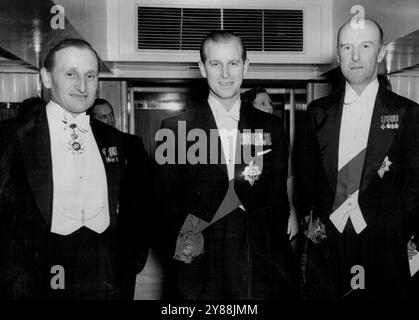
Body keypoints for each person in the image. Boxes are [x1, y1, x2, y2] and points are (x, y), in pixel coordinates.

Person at [0, 38, 149, 300]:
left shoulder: (115, 140)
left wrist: (127, 264)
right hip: (34, 280)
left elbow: (135, 208)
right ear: (47, 78)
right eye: (71, 74)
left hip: (101, 277)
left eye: (90, 75)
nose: (82, 86)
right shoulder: (9, 138)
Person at [156, 31, 299, 299]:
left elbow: (277, 199)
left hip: (256, 260)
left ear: (246, 65)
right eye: (215, 64)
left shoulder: (271, 126)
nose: (225, 74)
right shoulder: (174, 129)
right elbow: (165, 207)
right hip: (198, 262)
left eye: (233, 63)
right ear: (202, 68)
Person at [296, 18, 419, 300]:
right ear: (338, 54)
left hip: (383, 244)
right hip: (328, 245)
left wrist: (401, 231)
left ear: (381, 52)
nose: (354, 56)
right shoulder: (316, 112)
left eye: (364, 46)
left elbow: (415, 186)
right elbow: (306, 179)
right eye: (346, 47)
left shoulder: (408, 113)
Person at [243, 87, 299, 241]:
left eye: (270, 103)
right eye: (262, 103)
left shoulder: (278, 133)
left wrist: (291, 211)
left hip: (273, 214)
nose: (269, 107)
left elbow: (287, 176)